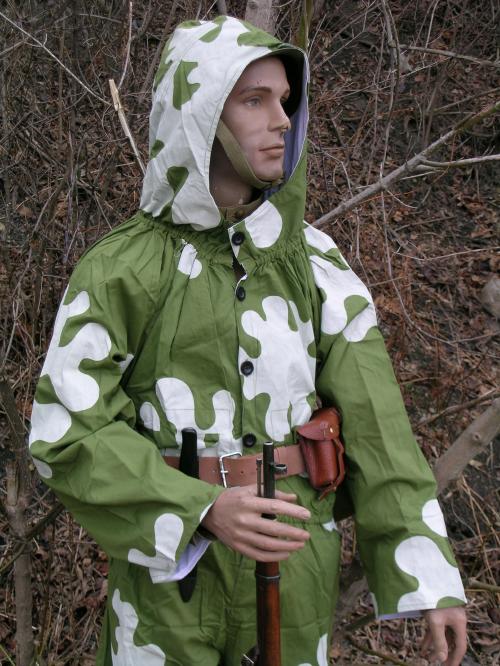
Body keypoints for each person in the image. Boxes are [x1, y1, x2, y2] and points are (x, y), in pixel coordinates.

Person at [29, 15, 467, 666]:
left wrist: (428, 576)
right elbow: (67, 432)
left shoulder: (316, 266)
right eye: (254, 100)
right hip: (168, 585)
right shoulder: (124, 270)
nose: (282, 121)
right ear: (201, 115)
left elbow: (380, 428)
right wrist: (200, 507)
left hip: (295, 567)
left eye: (285, 101)